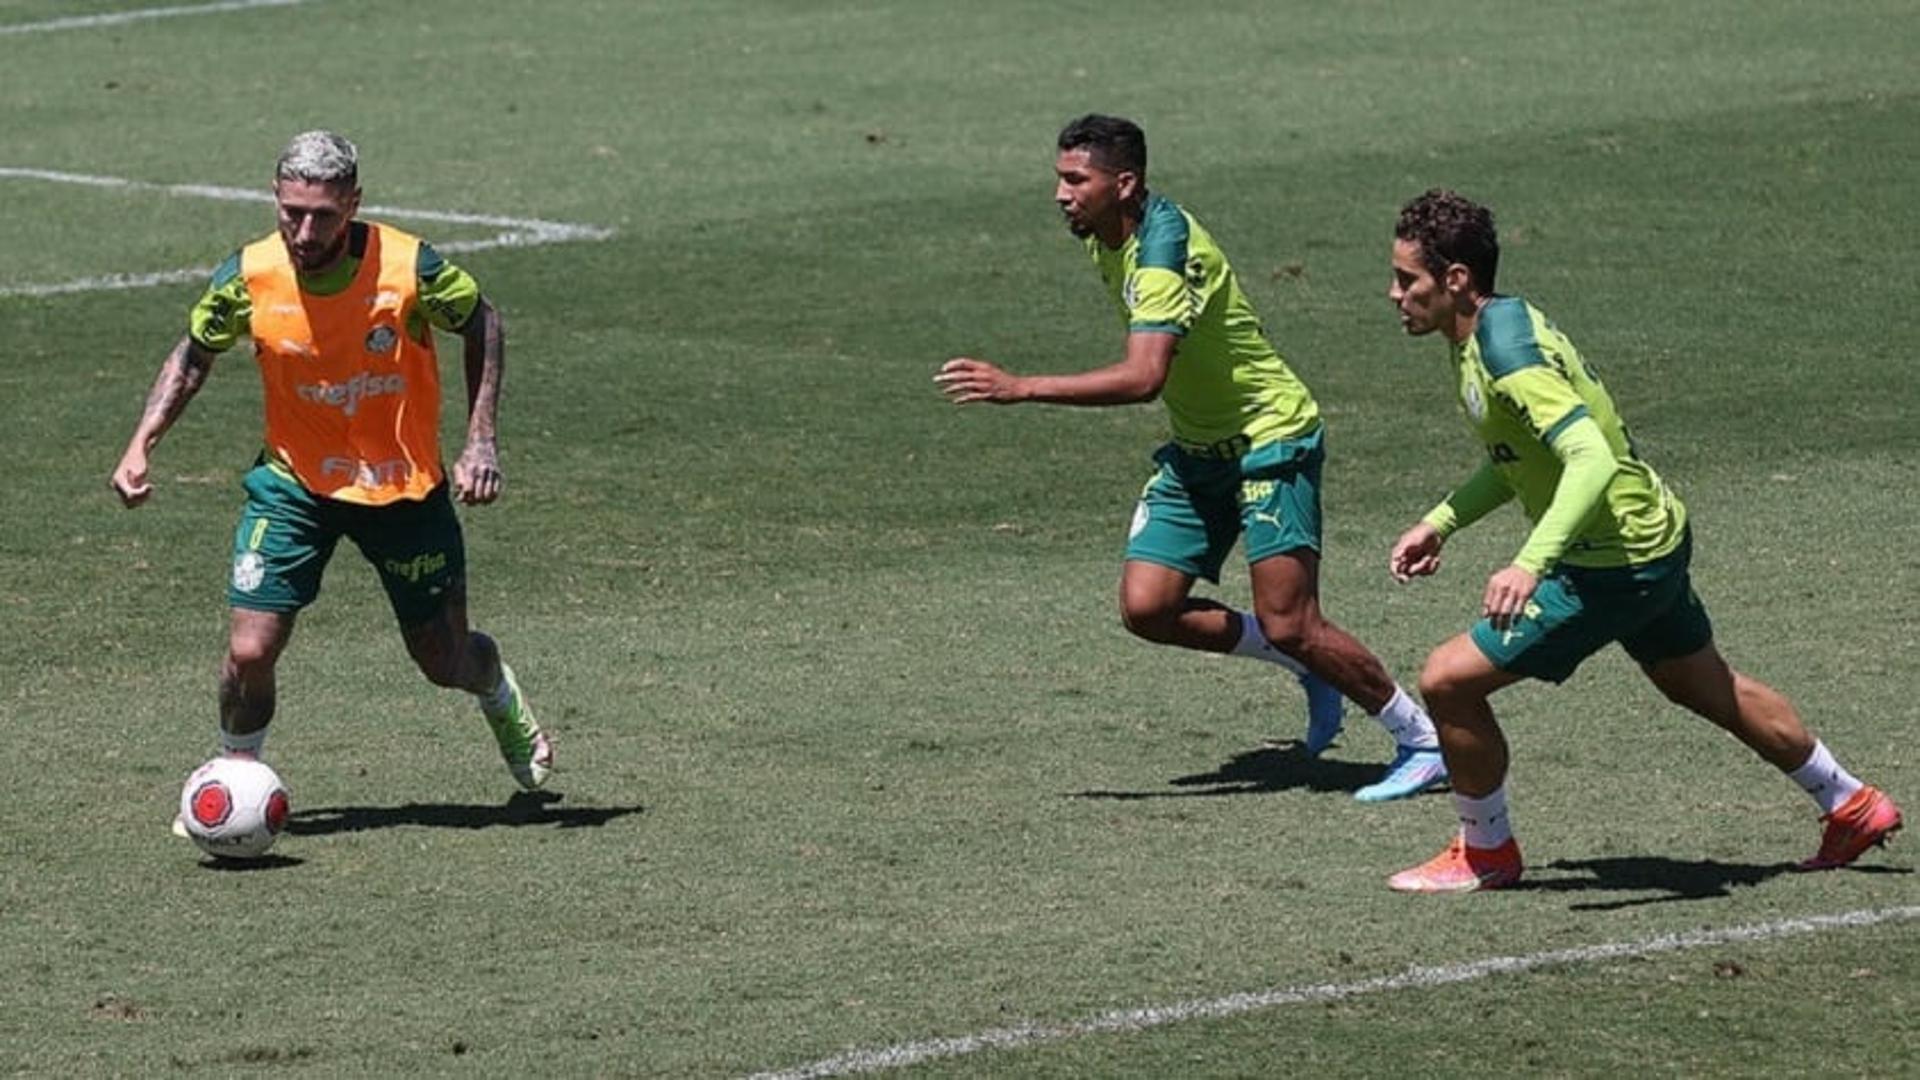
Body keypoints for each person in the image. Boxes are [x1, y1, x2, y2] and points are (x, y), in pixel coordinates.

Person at [1382, 188, 1901, 892]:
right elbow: (1522, 458)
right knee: (1703, 683)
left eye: (1407, 279)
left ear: (1456, 280)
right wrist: (1442, 521)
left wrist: (1530, 563)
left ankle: (1486, 852)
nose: (1394, 294)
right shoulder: (1493, 329)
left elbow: (1588, 456)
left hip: (1609, 566)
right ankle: (1851, 803)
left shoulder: (1505, 354)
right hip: (1650, 537)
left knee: (1446, 681)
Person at [936, 114, 1444, 801]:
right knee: (1148, 608)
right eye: (1058, 177)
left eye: (1074, 180)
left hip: (1270, 439)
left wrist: (1022, 387)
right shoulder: (1104, 231)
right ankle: (1304, 664)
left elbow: (1144, 375)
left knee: (1296, 620)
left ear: (1125, 183)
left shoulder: (1162, 250)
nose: (1060, 194)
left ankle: (1423, 739)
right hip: (1198, 449)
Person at [110, 130, 553, 812]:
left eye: (322, 214)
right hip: (295, 486)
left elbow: (483, 322)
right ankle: (232, 784)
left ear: (353, 203)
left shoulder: (410, 267)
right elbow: (196, 353)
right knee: (251, 651)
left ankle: (497, 691)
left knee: (445, 661)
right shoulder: (250, 275)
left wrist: (480, 438)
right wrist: (142, 442)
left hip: (402, 488)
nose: (304, 230)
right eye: (291, 211)